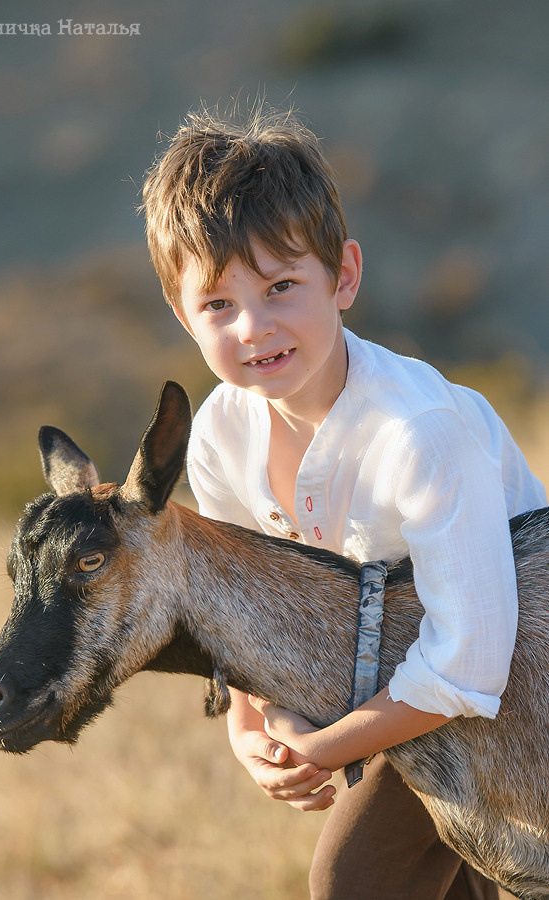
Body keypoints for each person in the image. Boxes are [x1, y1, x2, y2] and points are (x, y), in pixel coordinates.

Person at [141, 106, 547, 899]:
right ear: (182, 316)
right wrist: (252, 726)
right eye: (217, 305)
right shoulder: (220, 433)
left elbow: (469, 661)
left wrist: (327, 746)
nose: (254, 327)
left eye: (282, 287)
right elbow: (250, 608)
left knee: (355, 881)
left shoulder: (419, 430)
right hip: (397, 695)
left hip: (518, 682)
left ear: (345, 277)